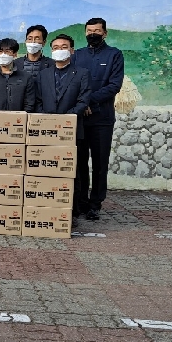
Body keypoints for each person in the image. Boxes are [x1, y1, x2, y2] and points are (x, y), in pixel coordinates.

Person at [34, 34, 91, 224]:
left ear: (72, 50)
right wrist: (48, 122)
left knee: (72, 172)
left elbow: (83, 100)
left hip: (72, 130)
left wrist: (66, 120)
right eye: (56, 47)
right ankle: (48, 208)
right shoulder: (43, 74)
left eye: (64, 46)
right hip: (47, 131)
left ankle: (71, 211)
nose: (60, 50)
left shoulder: (82, 73)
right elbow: (39, 101)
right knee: (48, 170)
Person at [73, 17, 124, 221]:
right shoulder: (77, 56)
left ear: (105, 33)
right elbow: (72, 81)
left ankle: (96, 204)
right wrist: (81, 104)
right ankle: (82, 202)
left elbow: (114, 86)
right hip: (80, 119)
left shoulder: (114, 55)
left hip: (102, 118)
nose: (92, 33)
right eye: (89, 30)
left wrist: (88, 102)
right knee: (80, 163)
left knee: (100, 163)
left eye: (97, 30)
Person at [0, 38, 35, 112]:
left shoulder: (26, 78)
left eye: (7, 51)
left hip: (18, 121)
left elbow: (29, 104)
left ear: (15, 54)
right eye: (0, 51)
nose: (3, 55)